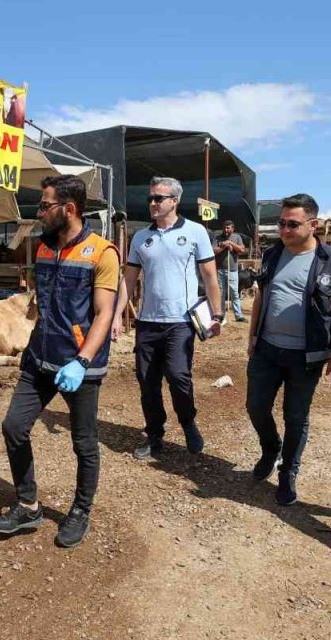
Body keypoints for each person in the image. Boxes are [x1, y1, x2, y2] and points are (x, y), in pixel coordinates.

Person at [0, 174, 120, 549]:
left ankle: (80, 511)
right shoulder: (43, 248)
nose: (39, 212)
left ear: (69, 209)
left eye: (45, 206)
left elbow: (104, 314)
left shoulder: (102, 252)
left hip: (79, 364)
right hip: (40, 358)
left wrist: (82, 360)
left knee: (84, 442)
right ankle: (28, 506)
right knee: (14, 426)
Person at [245, 194, 331, 505]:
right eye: (281, 223)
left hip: (307, 355)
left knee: (296, 416)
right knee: (255, 406)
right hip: (267, 349)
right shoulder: (272, 254)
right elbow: (261, 297)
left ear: (313, 225)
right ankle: (270, 448)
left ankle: (288, 471)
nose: (285, 230)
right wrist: (252, 337)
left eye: (292, 224)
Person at [112, 177, 223, 461]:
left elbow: (210, 276)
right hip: (148, 321)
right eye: (150, 198)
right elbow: (128, 279)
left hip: (181, 321)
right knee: (147, 381)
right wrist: (117, 316)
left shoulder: (196, 232)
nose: (152, 203)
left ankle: (188, 423)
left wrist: (217, 314)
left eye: (158, 198)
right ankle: (154, 436)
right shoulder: (140, 237)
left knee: (178, 376)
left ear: (174, 201)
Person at [214, 220, 248, 322]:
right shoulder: (218, 238)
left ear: (233, 229)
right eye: (224, 227)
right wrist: (224, 246)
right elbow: (213, 251)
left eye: (228, 228)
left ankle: (238, 315)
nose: (226, 230)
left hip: (232, 270)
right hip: (220, 270)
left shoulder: (237, 237)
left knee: (234, 293)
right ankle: (221, 315)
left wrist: (231, 243)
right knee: (221, 293)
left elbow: (242, 250)